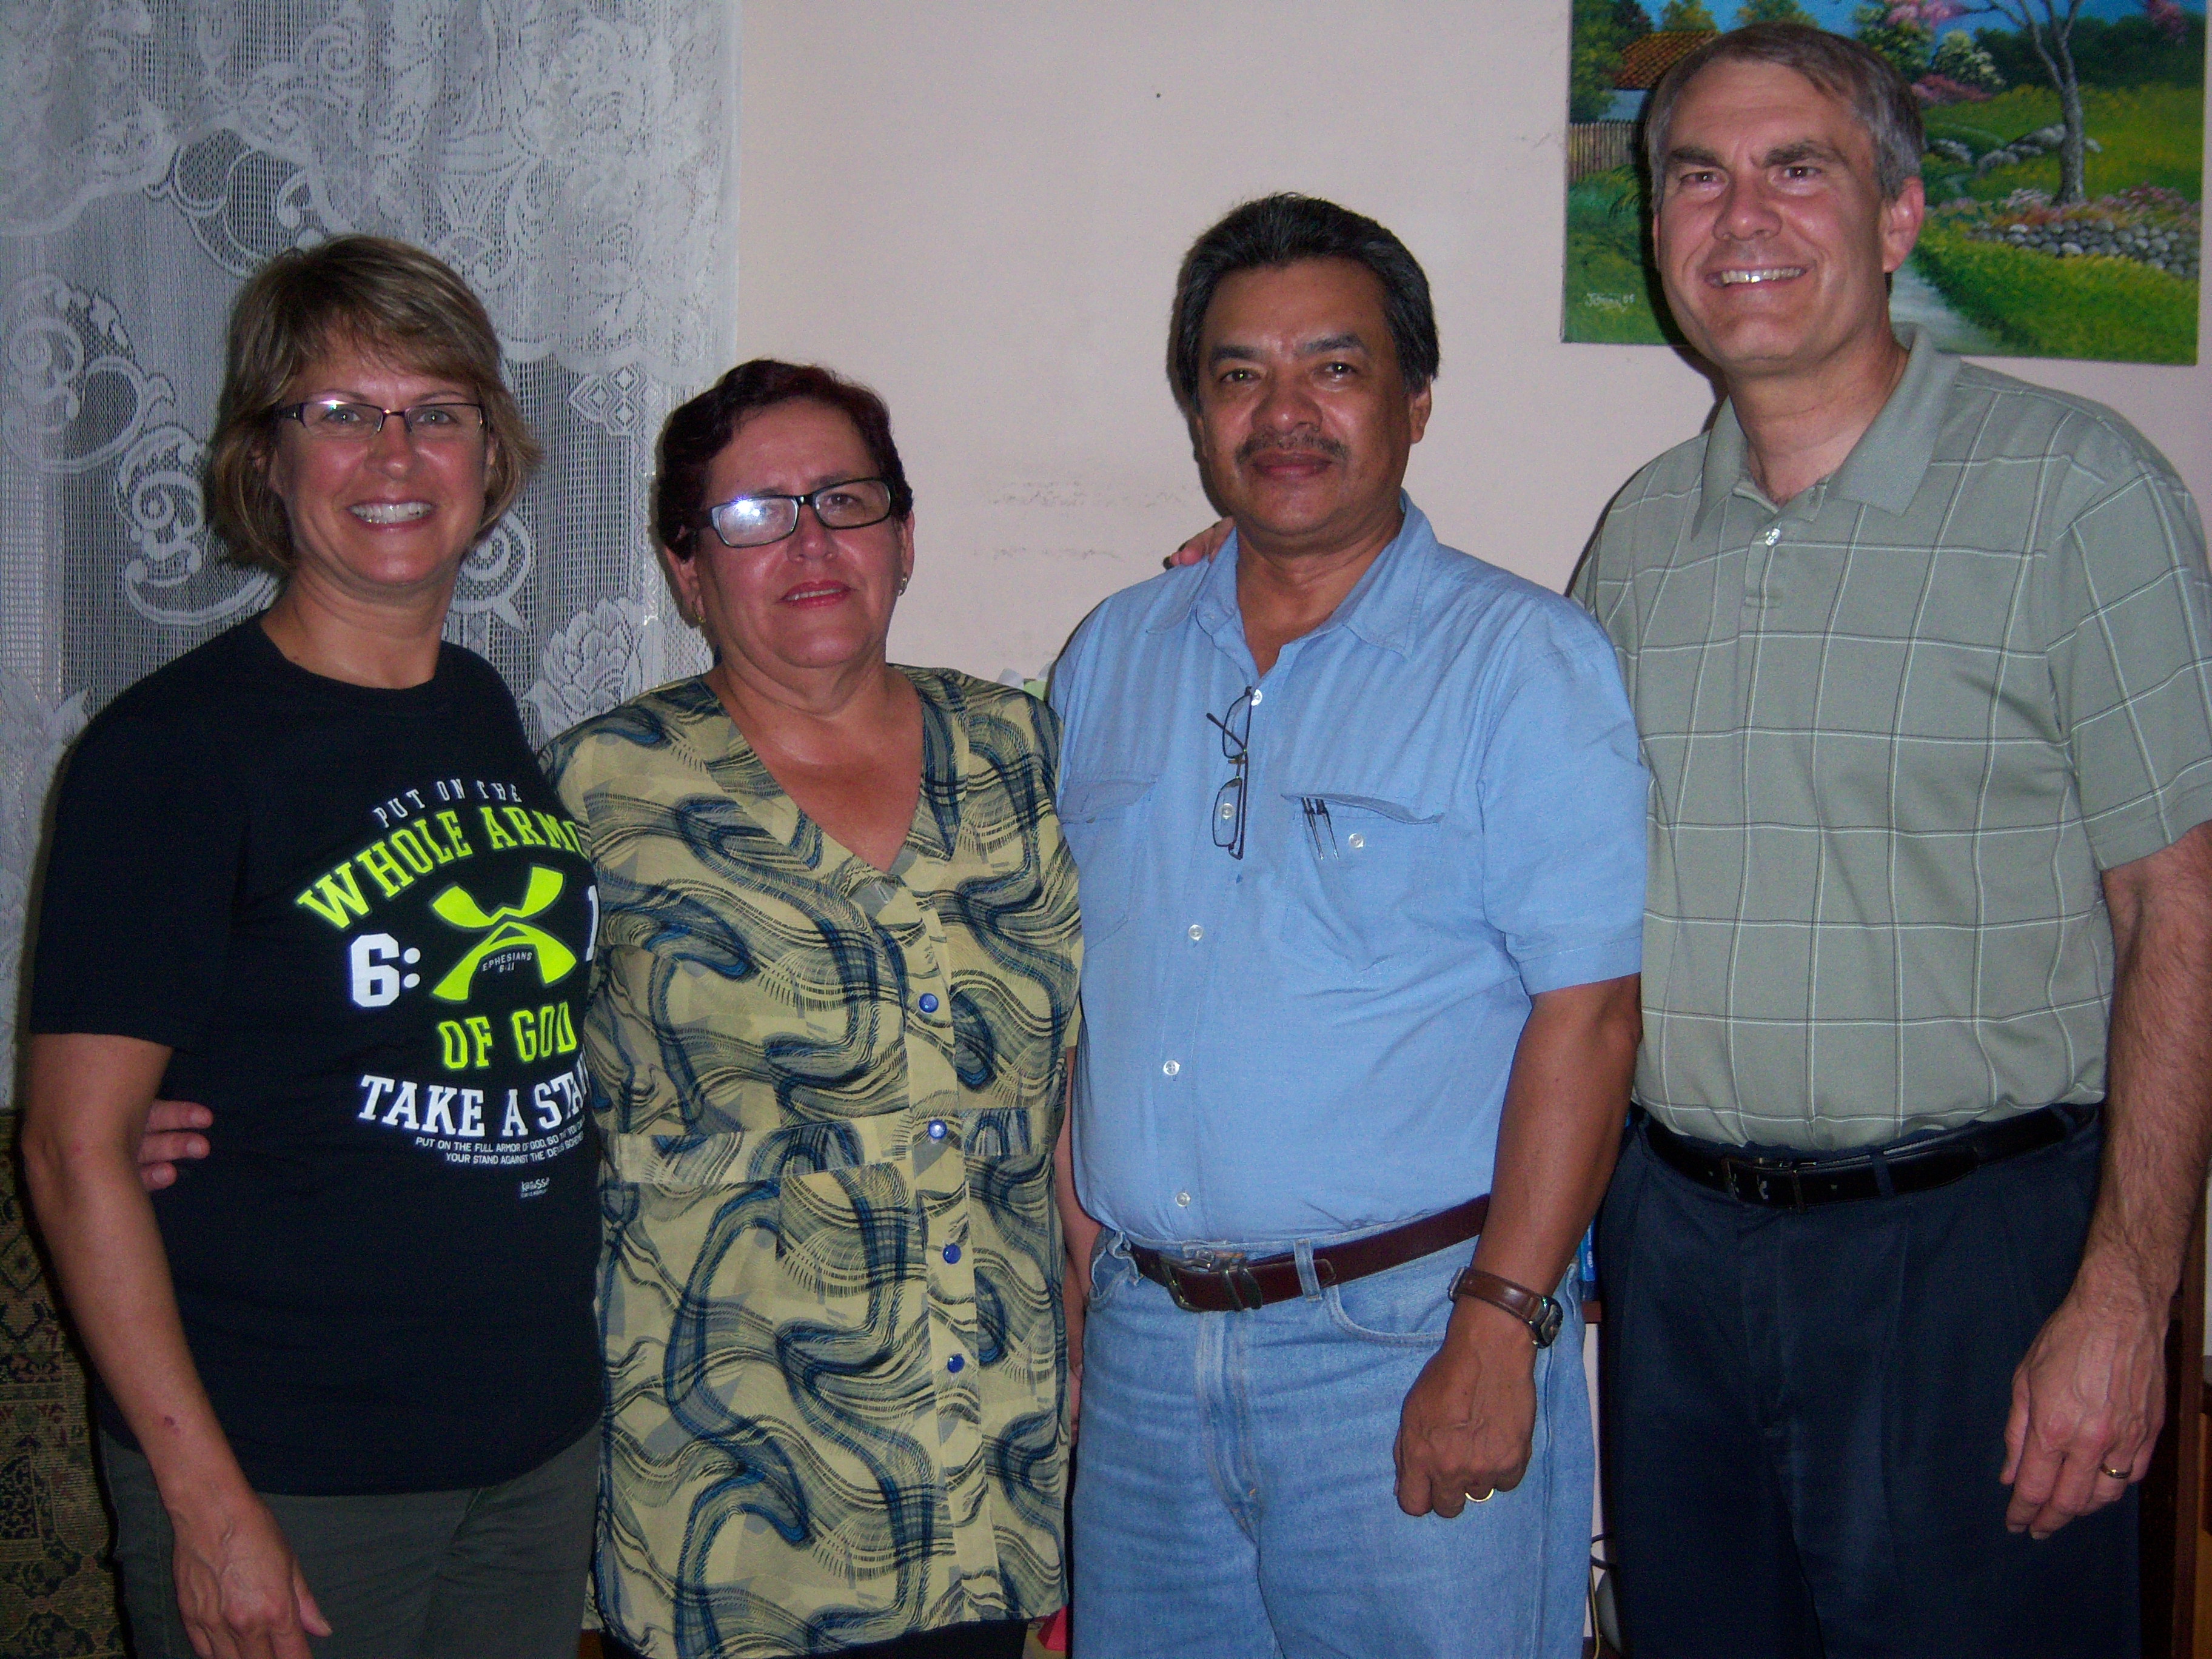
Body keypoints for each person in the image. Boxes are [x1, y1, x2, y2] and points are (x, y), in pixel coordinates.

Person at [1573, 24, 2212, 1657]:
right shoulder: (1640, 536)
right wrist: (1288, 579)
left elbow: (2181, 908)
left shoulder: (2080, 494)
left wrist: (2129, 1295)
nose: (1742, 216)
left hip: (1977, 1262)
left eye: (1799, 168)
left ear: (1901, 213)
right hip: (1679, 1258)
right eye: (1697, 177)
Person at [1050, 194, 1646, 1657]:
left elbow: (1590, 1015)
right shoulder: (1112, 654)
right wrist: (1081, 1310)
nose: (1285, 413)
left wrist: (1501, 1325)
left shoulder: (1523, 661)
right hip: (1146, 1354)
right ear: (1198, 412)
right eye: (1239, 374)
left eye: (1335, 367)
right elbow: (1080, 997)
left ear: (1415, 401)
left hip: (1407, 1341)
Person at [22, 236, 603, 1659]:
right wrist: (206, 1506)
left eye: (436, 411)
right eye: (340, 412)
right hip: (292, 1466)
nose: (393, 454)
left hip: (530, 1445)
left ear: (489, 454)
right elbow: (74, 1150)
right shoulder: (170, 754)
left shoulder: (477, 704)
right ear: (265, 461)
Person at [544, 360, 1084, 1658]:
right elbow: (468, 1062)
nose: (811, 542)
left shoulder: (1025, 750)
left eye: (846, 499)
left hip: (986, 1457)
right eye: (754, 515)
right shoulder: (597, 789)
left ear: (904, 537)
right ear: (687, 570)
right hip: (724, 1483)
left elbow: (1080, 1073)